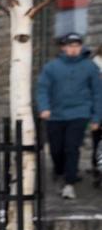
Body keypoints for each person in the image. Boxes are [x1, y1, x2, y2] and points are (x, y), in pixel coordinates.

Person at [36, 32, 101, 199]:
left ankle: (69, 183)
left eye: (76, 45)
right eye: (70, 46)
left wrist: (96, 117)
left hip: (79, 113)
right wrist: (44, 107)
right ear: (63, 48)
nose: (73, 49)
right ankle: (59, 172)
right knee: (56, 149)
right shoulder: (51, 67)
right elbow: (42, 88)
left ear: (81, 47)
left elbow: (97, 93)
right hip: (55, 115)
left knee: (72, 147)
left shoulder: (89, 67)